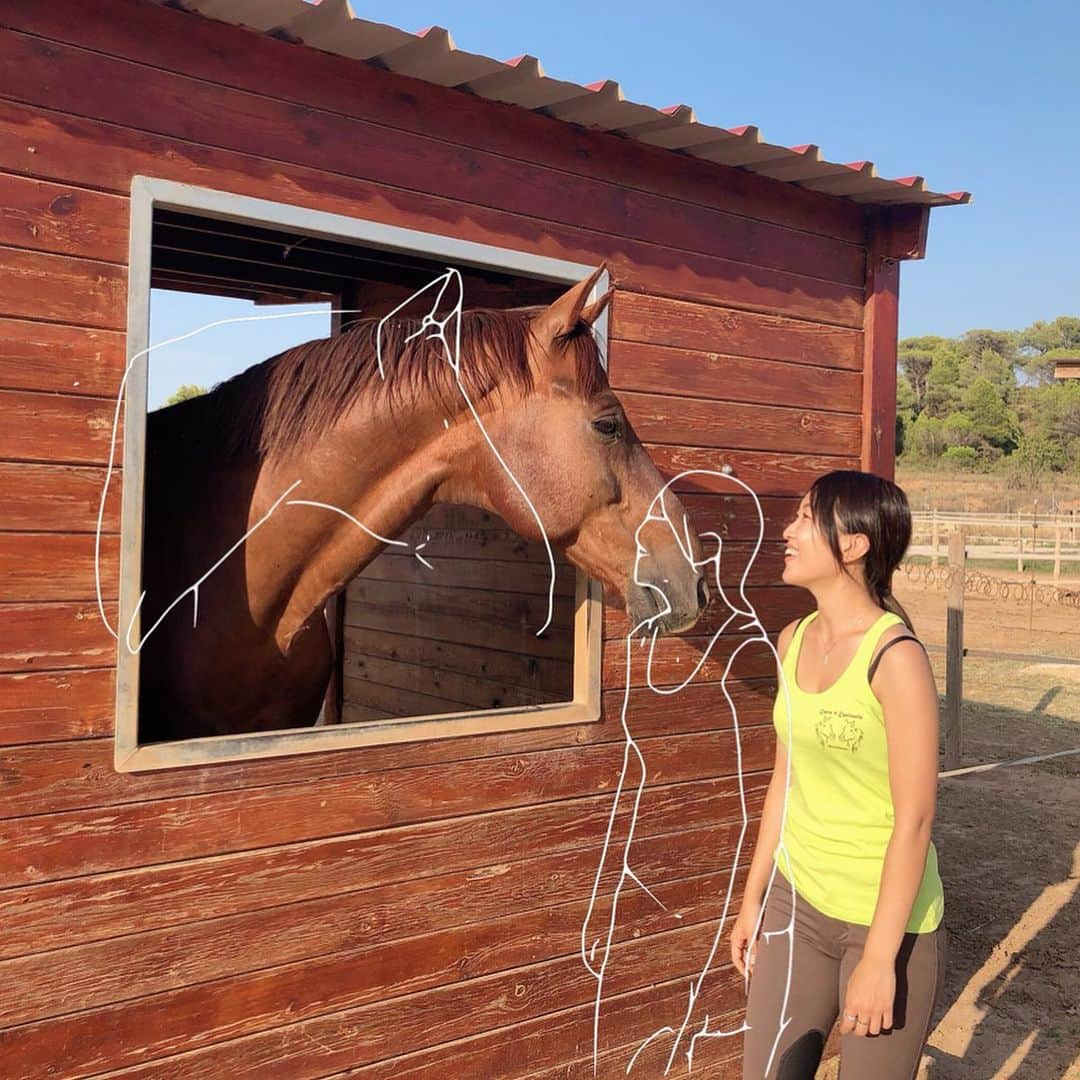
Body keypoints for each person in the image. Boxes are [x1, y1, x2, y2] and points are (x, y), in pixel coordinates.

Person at [733, 470, 947, 1079]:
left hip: (885, 924)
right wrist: (753, 900)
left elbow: (916, 821)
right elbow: (785, 781)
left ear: (852, 545)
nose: (787, 530)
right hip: (796, 907)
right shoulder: (791, 640)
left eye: (804, 518)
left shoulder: (896, 659)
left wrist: (879, 962)